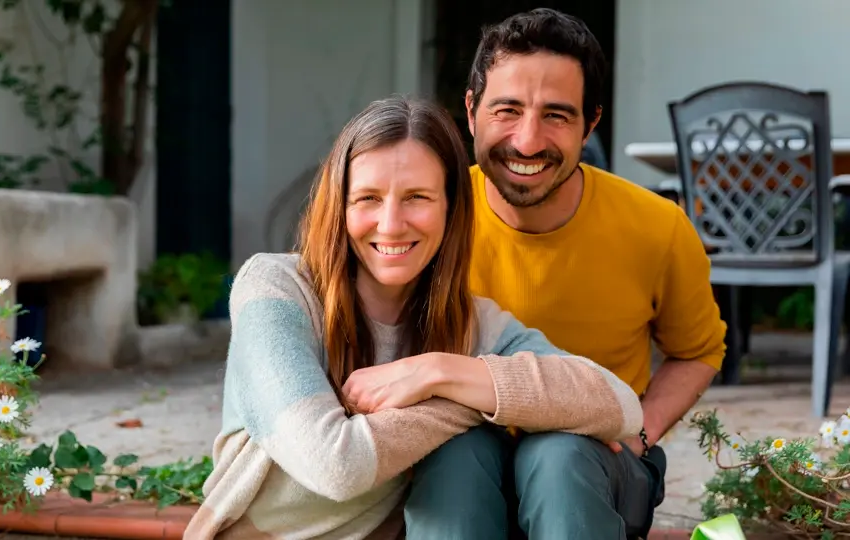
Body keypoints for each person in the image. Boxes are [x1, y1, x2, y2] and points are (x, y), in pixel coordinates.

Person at [182, 96, 645, 540]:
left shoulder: (470, 324)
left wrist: (436, 371)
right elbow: (336, 465)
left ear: (451, 208)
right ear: (339, 205)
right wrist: (468, 398)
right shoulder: (277, 290)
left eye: (417, 197)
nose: (390, 224)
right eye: (368, 198)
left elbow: (619, 405)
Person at [393, 8, 728, 540]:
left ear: (590, 123)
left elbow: (697, 351)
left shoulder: (656, 226)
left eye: (557, 115)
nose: (528, 142)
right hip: (463, 454)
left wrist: (639, 431)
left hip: (595, 461)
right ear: (472, 110)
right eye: (507, 110)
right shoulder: (427, 220)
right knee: (455, 454)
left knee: (559, 454)